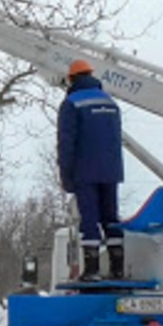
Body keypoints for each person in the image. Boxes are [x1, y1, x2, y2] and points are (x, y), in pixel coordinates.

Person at [57, 59, 125, 280]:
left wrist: (66, 175)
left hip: (85, 170)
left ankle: (93, 268)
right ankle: (117, 267)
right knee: (111, 217)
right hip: (111, 171)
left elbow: (67, 143)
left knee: (90, 219)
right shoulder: (110, 102)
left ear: (71, 79)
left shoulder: (72, 103)